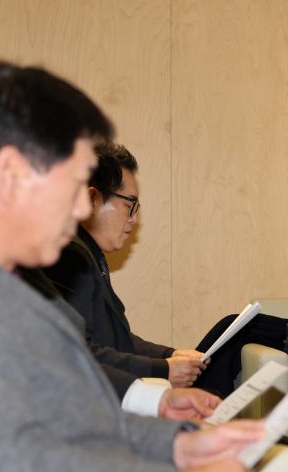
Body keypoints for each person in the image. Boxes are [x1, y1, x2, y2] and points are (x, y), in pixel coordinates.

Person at [0, 59, 264, 472]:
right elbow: (18, 460)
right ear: (10, 174)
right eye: (75, 183)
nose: (84, 207)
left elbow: (67, 416)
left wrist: (178, 447)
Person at [42, 141, 206, 395]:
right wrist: (163, 369)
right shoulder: (71, 256)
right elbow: (79, 353)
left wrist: (170, 355)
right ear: (91, 199)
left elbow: (117, 340)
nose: (134, 219)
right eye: (129, 205)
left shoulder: (89, 254)